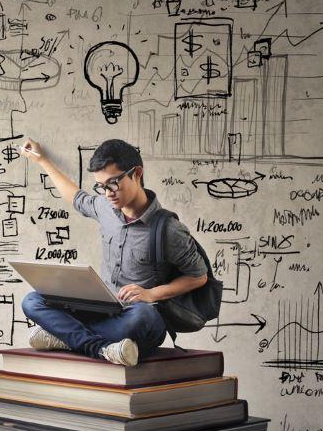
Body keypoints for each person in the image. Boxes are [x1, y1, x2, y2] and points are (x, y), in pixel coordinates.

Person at [18, 137, 208, 366]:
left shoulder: (169, 229)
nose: (108, 192)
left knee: (144, 317)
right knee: (32, 300)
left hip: (135, 316)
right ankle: (101, 349)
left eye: (113, 183)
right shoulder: (105, 208)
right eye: (101, 186)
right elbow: (77, 198)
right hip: (100, 310)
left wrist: (151, 294)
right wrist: (42, 160)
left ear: (136, 173)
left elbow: (199, 276)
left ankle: (64, 336)